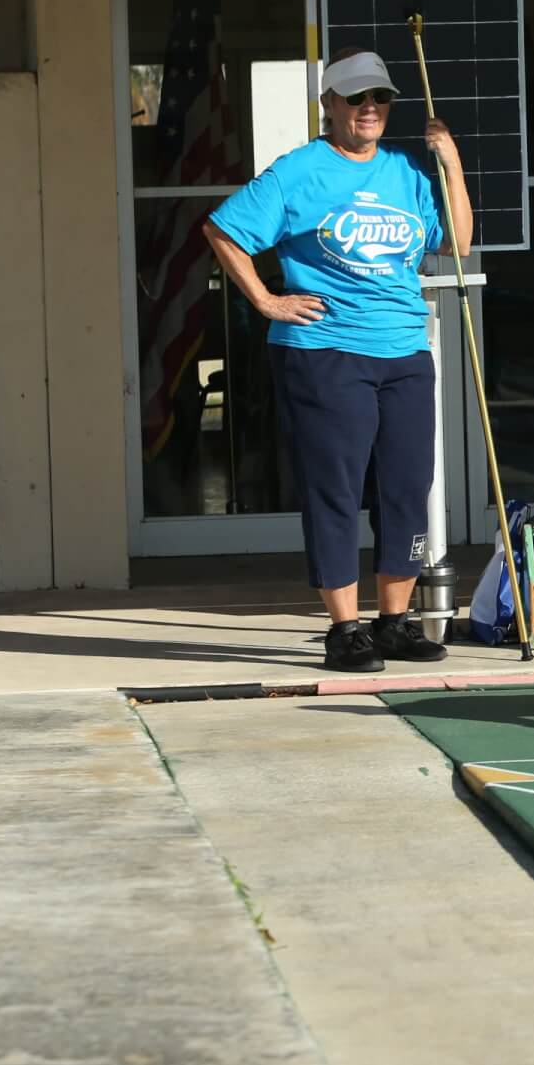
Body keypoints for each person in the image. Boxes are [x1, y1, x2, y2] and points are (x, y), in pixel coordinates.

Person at [201, 48, 472, 672]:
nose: (369, 109)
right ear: (329, 105)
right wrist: (268, 300)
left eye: (379, 98)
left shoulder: (407, 171)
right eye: (356, 98)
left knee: (406, 488)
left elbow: (455, 243)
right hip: (325, 353)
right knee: (337, 491)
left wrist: (451, 166)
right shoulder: (300, 171)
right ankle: (344, 629)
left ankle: (393, 623)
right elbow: (223, 230)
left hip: (404, 350)